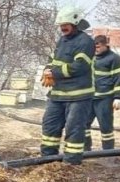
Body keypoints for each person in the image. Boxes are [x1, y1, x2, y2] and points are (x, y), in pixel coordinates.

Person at [40, 6, 95, 165]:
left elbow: (80, 66)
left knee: (74, 130)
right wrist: (47, 70)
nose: (62, 28)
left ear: (75, 23)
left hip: (78, 96)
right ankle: (47, 162)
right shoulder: (62, 40)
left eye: (65, 24)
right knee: (49, 127)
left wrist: (55, 73)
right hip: (58, 95)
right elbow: (52, 60)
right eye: (60, 25)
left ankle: (71, 164)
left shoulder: (85, 42)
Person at [85, 35, 120, 151]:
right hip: (89, 97)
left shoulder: (114, 58)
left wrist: (118, 97)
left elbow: (118, 78)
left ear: (105, 45)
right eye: (94, 47)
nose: (95, 50)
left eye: (98, 47)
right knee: (83, 125)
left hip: (105, 98)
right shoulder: (90, 57)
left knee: (106, 127)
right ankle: (85, 150)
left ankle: (108, 152)